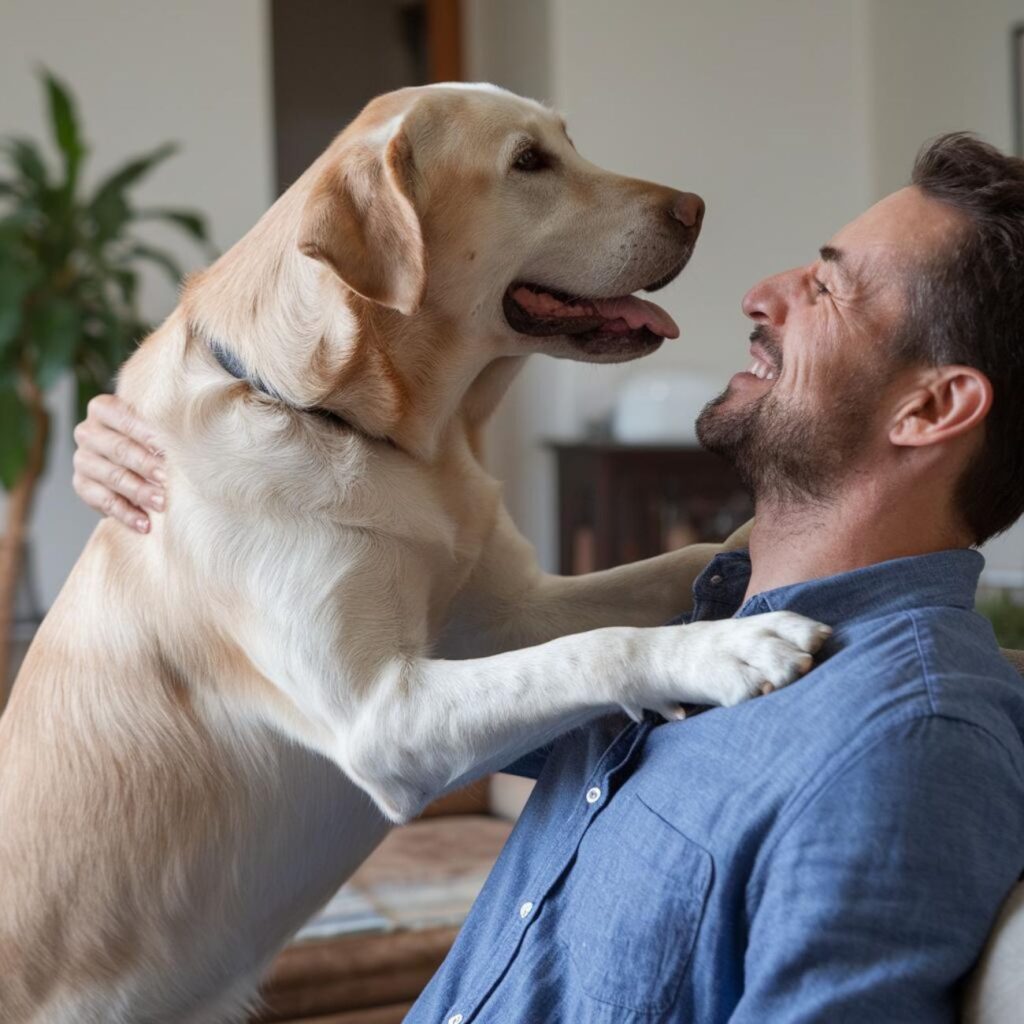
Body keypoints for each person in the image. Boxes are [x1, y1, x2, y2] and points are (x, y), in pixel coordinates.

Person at [72, 133, 1024, 1021]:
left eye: (827, 290)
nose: (760, 294)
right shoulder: (696, 615)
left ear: (933, 406)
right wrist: (174, 461)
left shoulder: (907, 739)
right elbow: (367, 700)